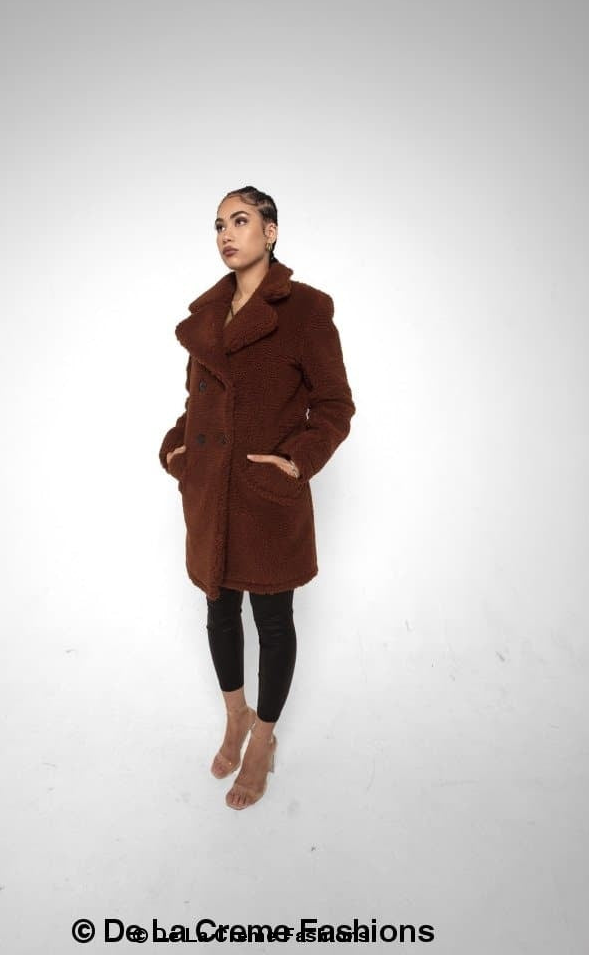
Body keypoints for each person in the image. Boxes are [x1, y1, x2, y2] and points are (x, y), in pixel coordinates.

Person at [159, 186, 355, 810]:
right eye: (219, 224)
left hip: (264, 498)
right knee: (219, 612)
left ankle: (263, 739)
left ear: (270, 232)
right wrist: (176, 449)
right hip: (210, 494)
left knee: (272, 621)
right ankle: (235, 715)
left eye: (240, 221)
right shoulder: (207, 316)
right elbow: (195, 405)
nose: (226, 234)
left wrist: (295, 463)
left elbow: (334, 405)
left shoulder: (306, 309)